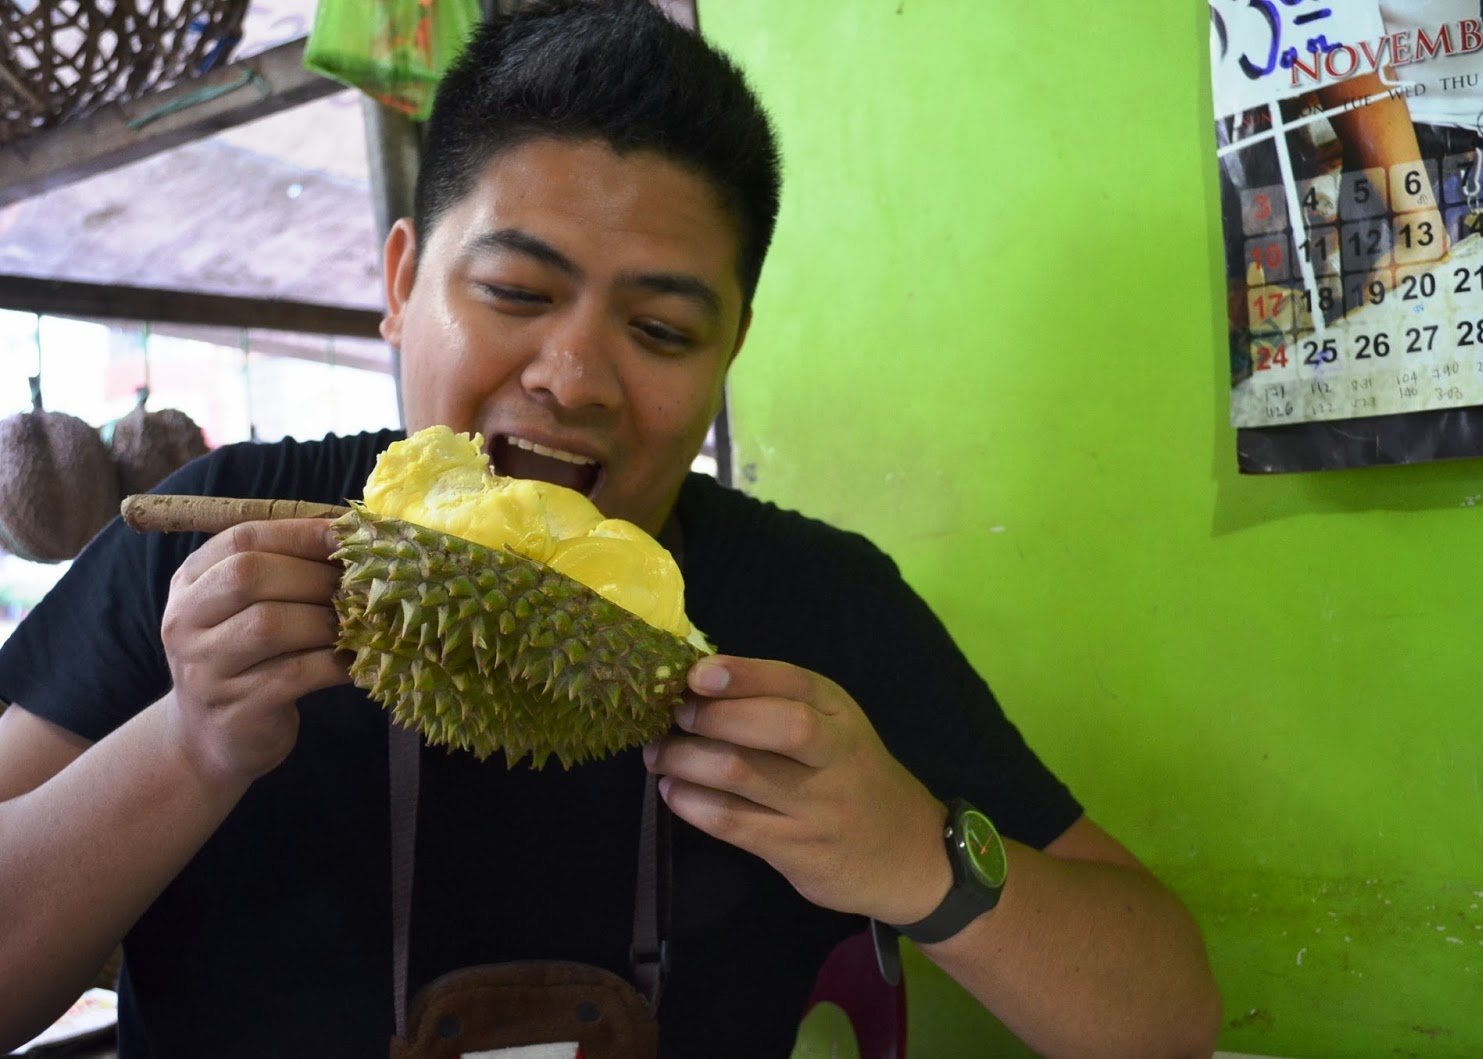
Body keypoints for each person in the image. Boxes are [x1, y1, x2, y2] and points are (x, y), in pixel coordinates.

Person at [0, 2, 1221, 1056]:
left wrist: (916, 856)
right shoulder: (211, 550)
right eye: (517, 294)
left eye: (661, 330)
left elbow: (1165, 1019)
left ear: (728, 352)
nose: (575, 375)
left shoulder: (820, 608)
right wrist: (189, 747)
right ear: (400, 282)